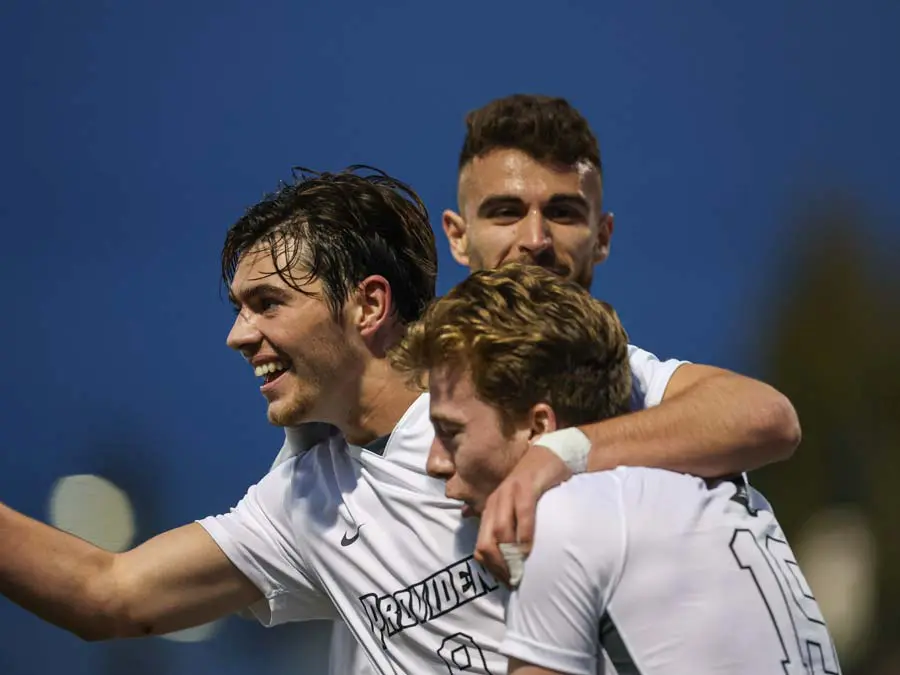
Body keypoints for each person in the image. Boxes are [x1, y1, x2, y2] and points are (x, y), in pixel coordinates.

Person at [270, 94, 800, 673]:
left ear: (602, 236)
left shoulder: (613, 381)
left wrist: (557, 455)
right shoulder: (371, 409)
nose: (537, 239)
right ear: (457, 235)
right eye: (505, 212)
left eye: (564, 213)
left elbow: (768, 418)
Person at [395, 261, 840, 675]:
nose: (435, 461)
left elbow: (774, 417)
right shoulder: (718, 485)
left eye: (450, 432)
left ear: (539, 427)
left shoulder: (563, 521)